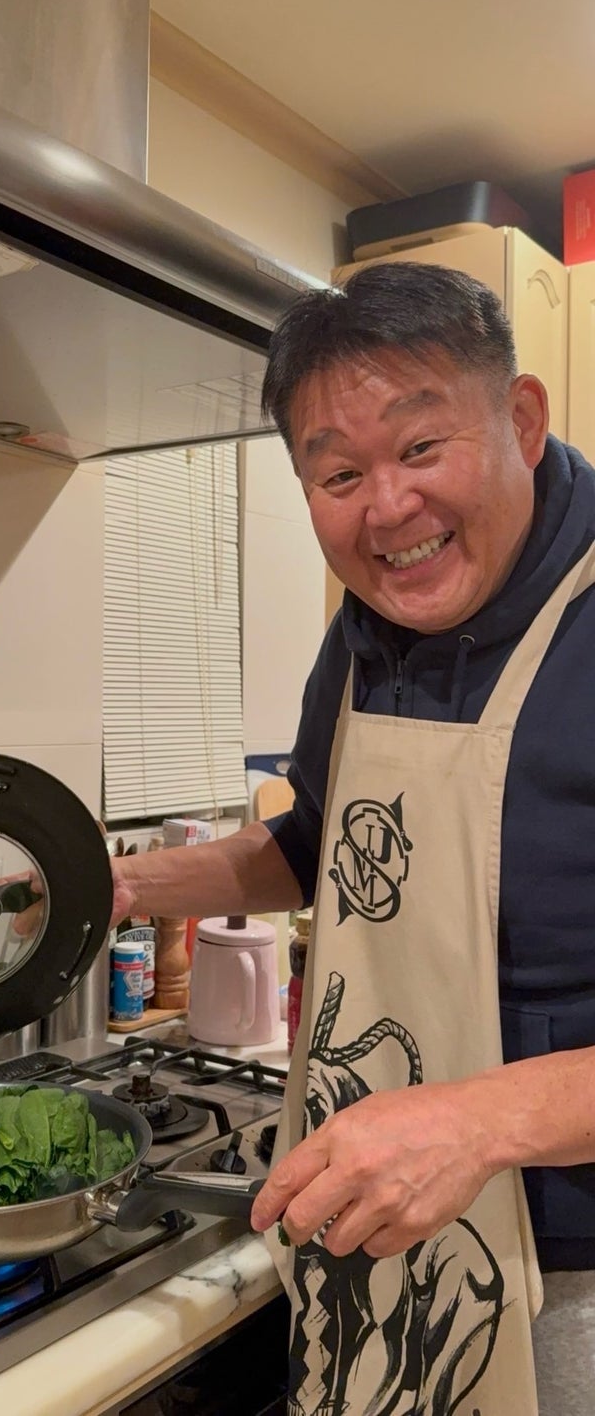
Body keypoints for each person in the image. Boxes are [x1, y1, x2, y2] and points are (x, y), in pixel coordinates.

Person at [111, 261, 595, 1415]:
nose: (385, 508)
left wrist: (478, 1121)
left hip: (570, 1274)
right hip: (378, 1219)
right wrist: (110, 886)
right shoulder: (370, 627)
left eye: (419, 447)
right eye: (337, 474)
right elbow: (321, 847)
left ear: (520, 419)